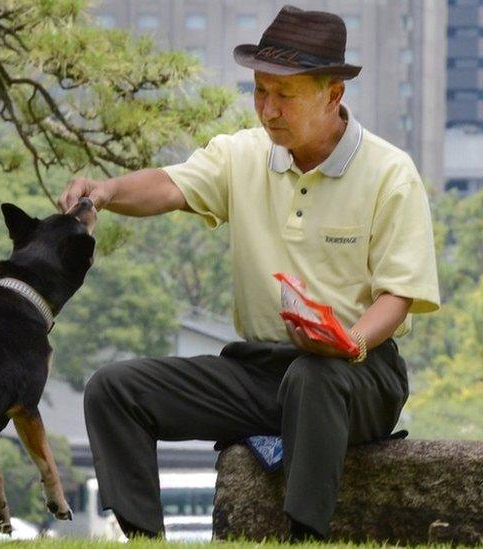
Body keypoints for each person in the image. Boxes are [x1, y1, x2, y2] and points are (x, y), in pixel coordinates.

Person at [58, 5, 440, 541]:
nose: (268, 109)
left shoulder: (391, 174)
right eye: (260, 91)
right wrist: (107, 191)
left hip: (359, 372)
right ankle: (144, 538)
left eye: (285, 95)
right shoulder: (241, 155)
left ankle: (304, 536)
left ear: (333, 94)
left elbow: (398, 296)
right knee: (113, 390)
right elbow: (169, 186)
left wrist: (348, 342)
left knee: (315, 376)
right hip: (261, 373)